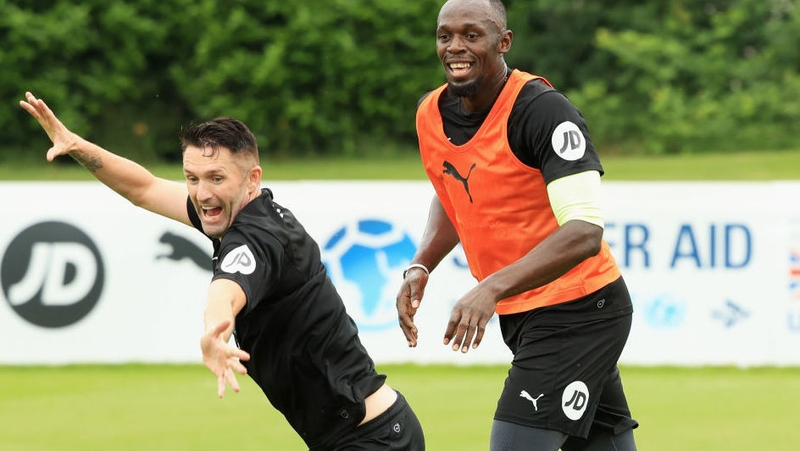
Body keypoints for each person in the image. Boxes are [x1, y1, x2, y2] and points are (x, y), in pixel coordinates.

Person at [20, 92, 425, 451]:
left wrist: (215, 331)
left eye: (216, 178)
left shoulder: (257, 238)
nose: (201, 193)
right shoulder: (234, 212)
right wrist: (76, 146)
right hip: (359, 435)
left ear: (252, 179)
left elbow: (228, 288)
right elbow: (142, 188)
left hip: (371, 438)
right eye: (192, 179)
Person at [395, 0, 638, 450]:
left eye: (472, 35)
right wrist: (421, 265)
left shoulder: (543, 111)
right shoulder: (429, 112)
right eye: (445, 35)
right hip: (524, 314)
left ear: (503, 42)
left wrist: (490, 287)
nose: (455, 47)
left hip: (581, 310)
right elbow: (455, 193)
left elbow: (585, 231)